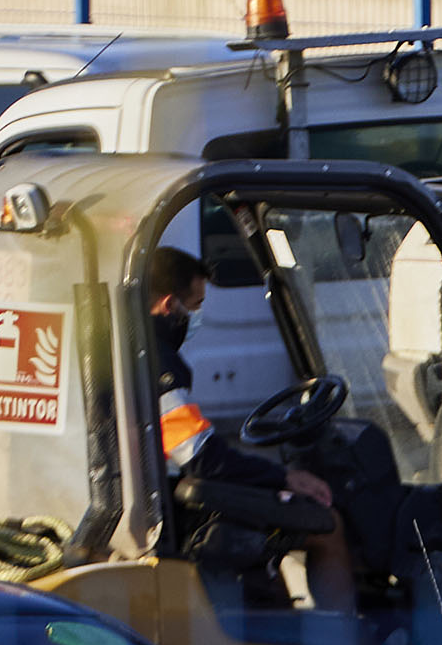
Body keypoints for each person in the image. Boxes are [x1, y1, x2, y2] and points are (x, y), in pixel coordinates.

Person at [146, 247, 359, 615]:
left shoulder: (125, 349)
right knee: (329, 525)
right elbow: (200, 457)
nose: (195, 317)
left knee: (273, 539)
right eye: (194, 306)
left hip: (165, 501)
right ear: (169, 306)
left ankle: (285, 623)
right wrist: (284, 478)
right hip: (176, 514)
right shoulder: (157, 362)